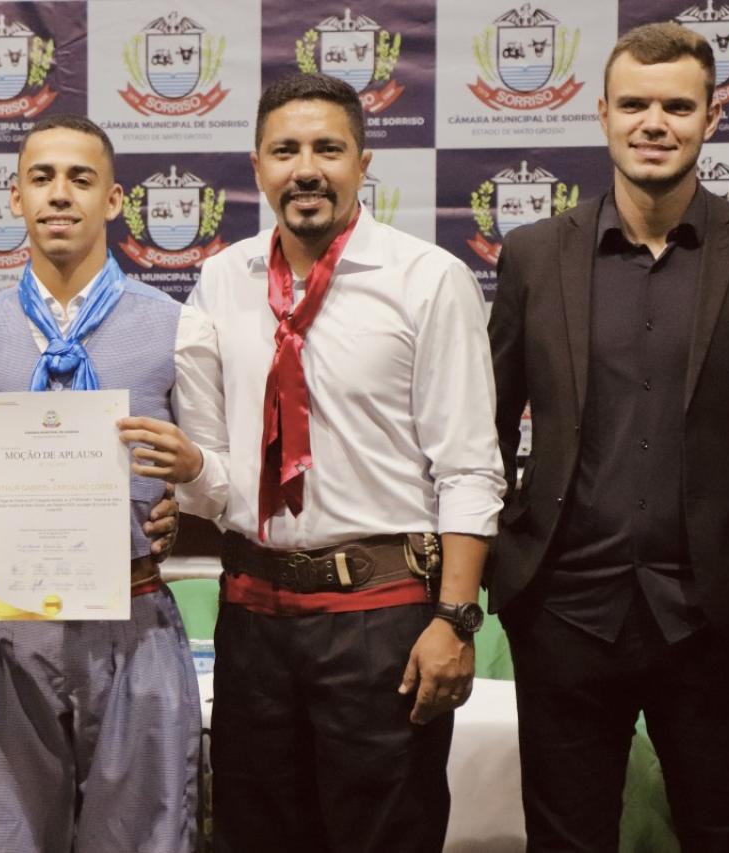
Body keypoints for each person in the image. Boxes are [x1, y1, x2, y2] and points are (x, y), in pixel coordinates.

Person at [175, 73, 505, 853]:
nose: (306, 169)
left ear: (362, 162)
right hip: (252, 617)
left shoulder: (428, 279)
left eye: (328, 149)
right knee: (254, 837)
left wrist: (455, 618)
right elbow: (217, 476)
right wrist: (184, 466)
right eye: (285, 150)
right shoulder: (221, 280)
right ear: (257, 165)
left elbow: (469, 467)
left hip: (381, 620)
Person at [0, 113, 225, 853]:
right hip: (7, 628)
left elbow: (218, 481)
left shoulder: (180, 329)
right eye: (41, 177)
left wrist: (187, 488)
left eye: (81, 179)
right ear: (15, 198)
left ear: (113, 201)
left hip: (134, 620)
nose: (59, 194)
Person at [488, 22, 729, 851]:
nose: (653, 123)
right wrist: (503, 565)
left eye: (678, 106)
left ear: (712, 117)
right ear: (602, 114)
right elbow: (486, 426)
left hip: (718, 619)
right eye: (634, 104)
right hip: (564, 613)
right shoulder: (534, 255)